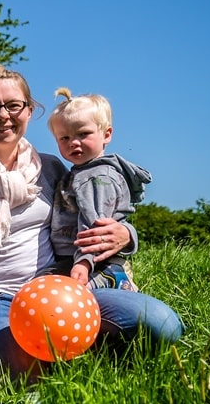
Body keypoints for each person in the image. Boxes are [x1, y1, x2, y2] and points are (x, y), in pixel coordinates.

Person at [0, 65, 182, 382]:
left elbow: (90, 216)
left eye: (13, 105)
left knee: (162, 324)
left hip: (60, 288)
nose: (3, 115)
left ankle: (90, 354)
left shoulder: (51, 168)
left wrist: (127, 235)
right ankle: (50, 360)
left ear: (29, 110)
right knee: (27, 369)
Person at [47, 87, 152, 290]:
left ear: (106, 134)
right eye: (64, 138)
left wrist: (84, 262)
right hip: (80, 259)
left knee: (69, 295)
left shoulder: (96, 177)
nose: (74, 143)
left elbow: (93, 223)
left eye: (83, 134)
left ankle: (114, 279)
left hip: (95, 262)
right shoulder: (81, 173)